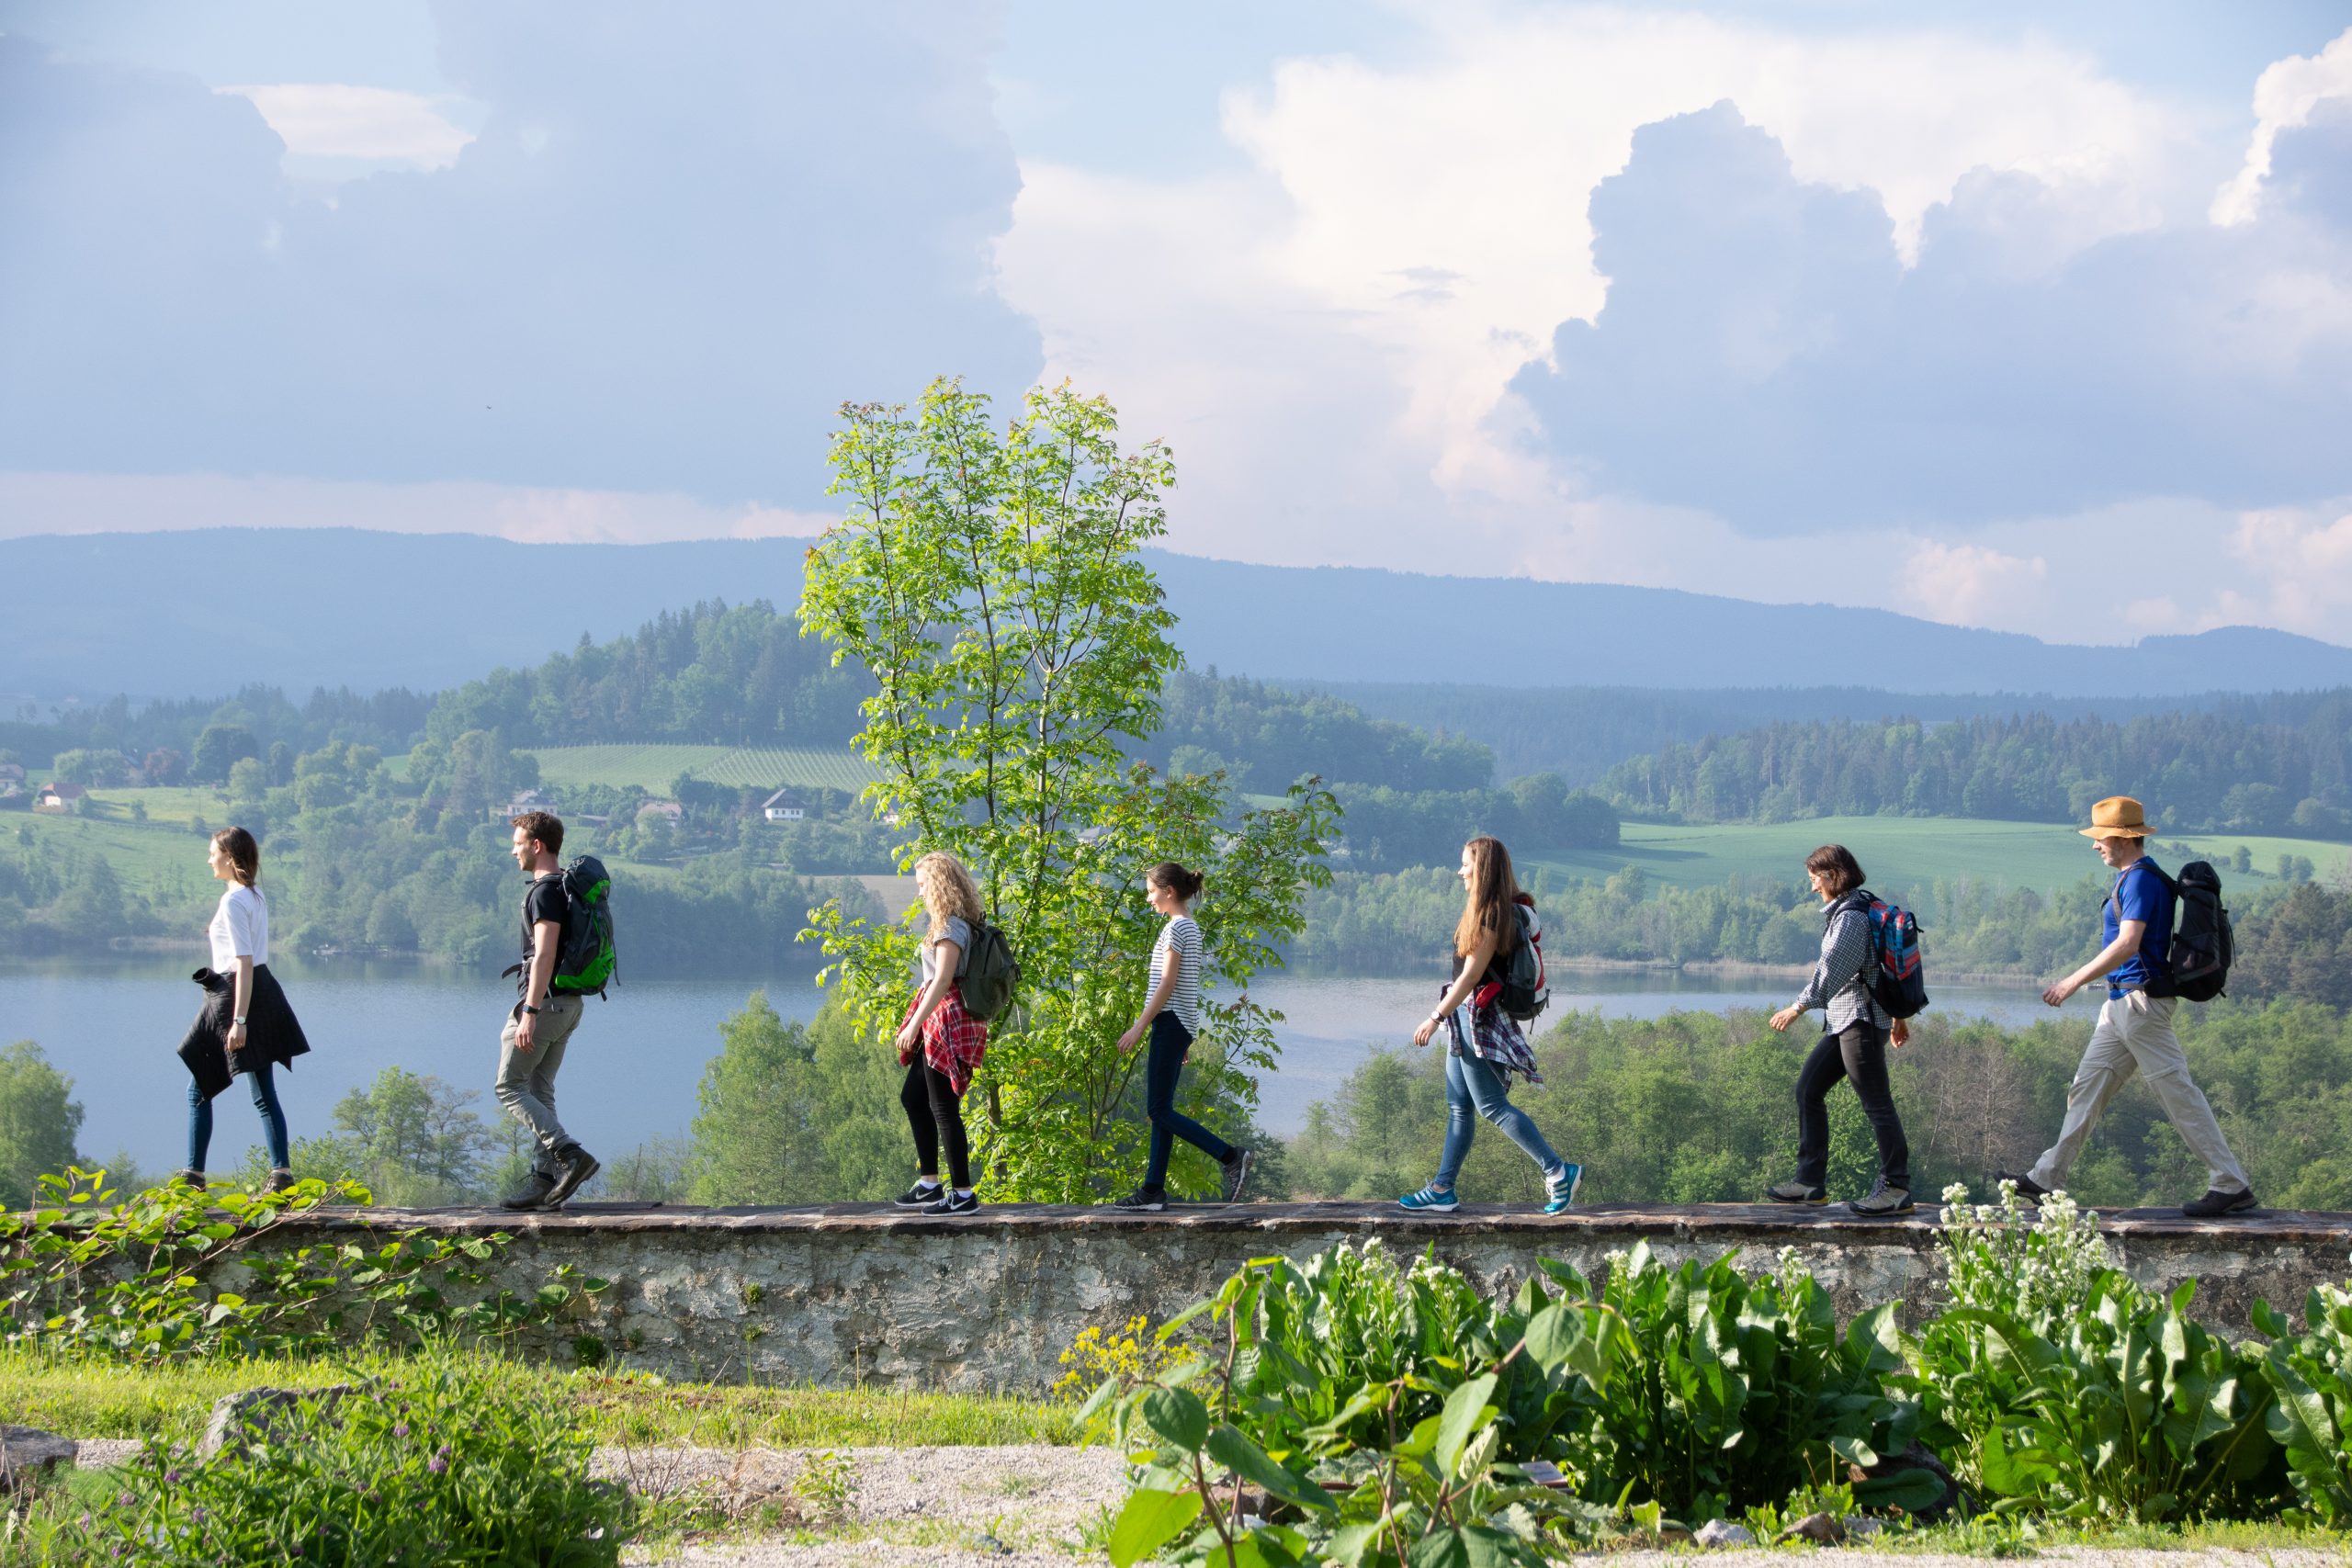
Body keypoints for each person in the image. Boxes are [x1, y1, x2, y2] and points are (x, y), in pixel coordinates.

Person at [2000, 796, 2256, 1218]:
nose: (2095, 845)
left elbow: (2127, 944)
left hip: (2141, 1006)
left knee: (2178, 1094)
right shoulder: (2135, 878)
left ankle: (2231, 1184)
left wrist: (2071, 982)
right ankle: (2046, 1178)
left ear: (2122, 838)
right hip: (2120, 1005)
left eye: (2100, 837)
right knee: (2086, 1089)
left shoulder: (2140, 881)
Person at [1397, 836, 1581, 1214]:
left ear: (1481, 869)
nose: (1460, 871)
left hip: (1476, 1019)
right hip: (1467, 1015)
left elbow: (1470, 977)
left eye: (1465, 864)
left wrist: (1434, 1017)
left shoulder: (1491, 916)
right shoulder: (1490, 910)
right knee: (1459, 1106)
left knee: (1492, 1107)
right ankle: (1443, 1188)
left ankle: (1558, 1171)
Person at [1765, 845, 1914, 1216]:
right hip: (1846, 1021)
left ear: (1832, 875)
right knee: (1808, 1090)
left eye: (1815, 879)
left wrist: (1797, 1007)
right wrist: (1898, 1017)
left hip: (1858, 1023)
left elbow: (1832, 971)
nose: (1813, 887)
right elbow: (1884, 969)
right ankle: (1809, 1183)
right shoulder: (1862, 907)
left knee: (1877, 1105)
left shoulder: (1850, 919)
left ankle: (1896, 1188)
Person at [175, 827, 309, 1194]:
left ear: (230, 858)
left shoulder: (234, 902)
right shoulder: (253, 894)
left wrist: (239, 1021)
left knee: (199, 1088)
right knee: (263, 1094)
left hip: (235, 996)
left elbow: (244, 962)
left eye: (213, 853)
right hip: (259, 991)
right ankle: (281, 1175)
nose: (209, 860)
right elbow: (248, 954)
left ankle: (193, 1177)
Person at [1113, 863, 1253, 1212]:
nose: (1148, 898)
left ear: (1169, 891)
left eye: (1151, 891)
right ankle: (1152, 1191)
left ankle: (1230, 1156)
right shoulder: (1189, 926)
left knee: (1158, 1109)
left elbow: (1168, 983)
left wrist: (1138, 1026)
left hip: (1169, 1022)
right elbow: (1186, 987)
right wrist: (1184, 1036)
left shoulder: (1177, 928)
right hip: (1177, 1024)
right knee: (1162, 1110)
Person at [494, 811, 599, 1211]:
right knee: (540, 1090)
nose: (514, 851)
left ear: (536, 845)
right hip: (569, 1005)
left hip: (546, 1004)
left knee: (509, 1087)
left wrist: (530, 1010)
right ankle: (544, 1179)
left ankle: (570, 1154)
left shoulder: (544, 893)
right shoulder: (565, 890)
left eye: (518, 843)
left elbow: (544, 954)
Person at [889, 852, 990, 1216]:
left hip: (945, 1020)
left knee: (943, 1108)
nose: (919, 893)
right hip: (943, 1017)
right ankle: (930, 1185)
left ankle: (962, 1193)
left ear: (938, 884)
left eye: (922, 885)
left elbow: (943, 979)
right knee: (914, 1098)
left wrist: (914, 1024)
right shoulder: (957, 922)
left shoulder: (951, 926)